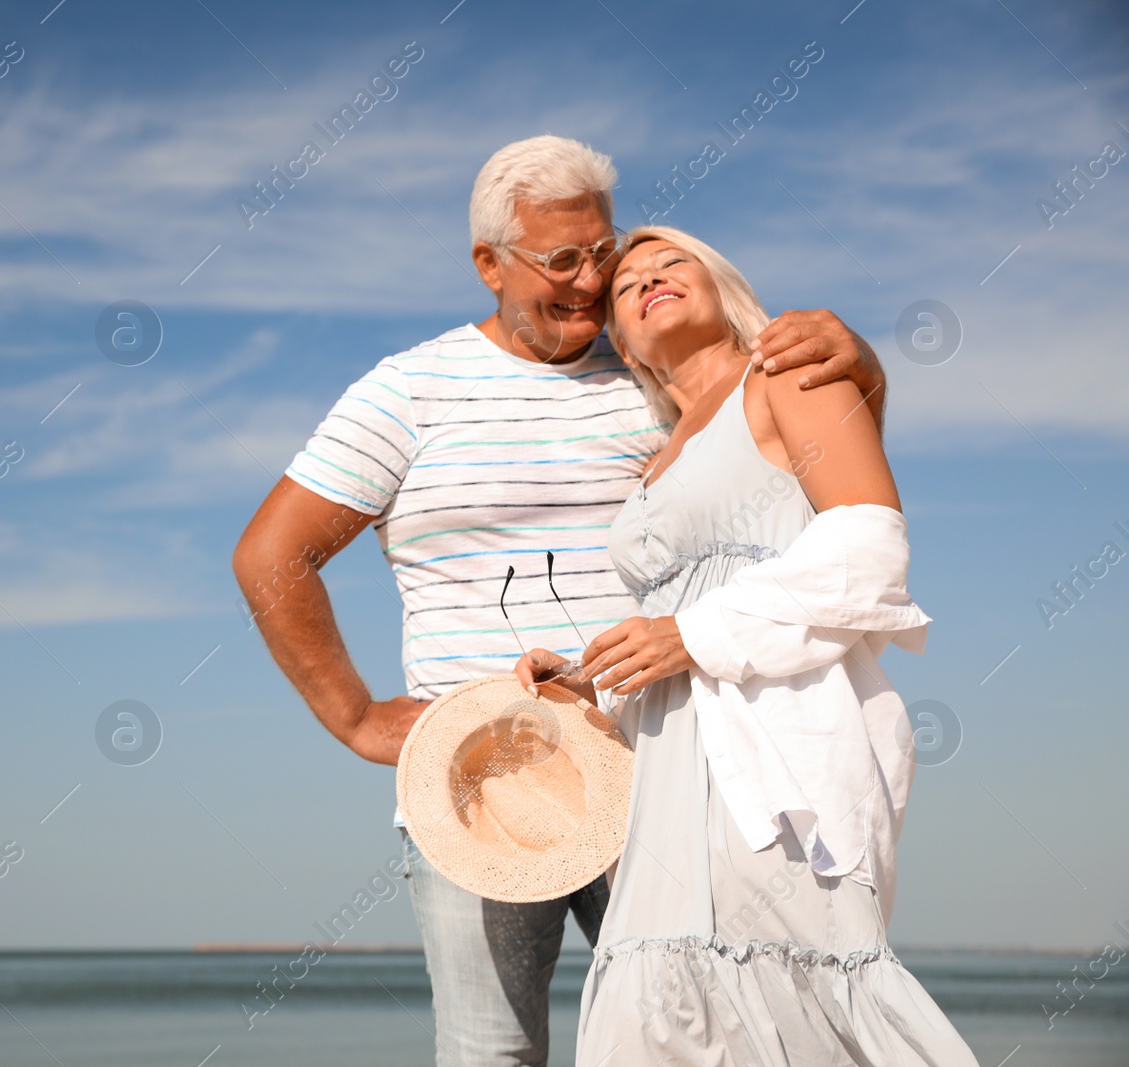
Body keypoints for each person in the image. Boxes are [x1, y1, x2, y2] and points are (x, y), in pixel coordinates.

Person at [232, 136, 885, 1067]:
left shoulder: (650, 376)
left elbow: (793, 459)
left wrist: (862, 365)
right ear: (489, 264)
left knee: (707, 1035)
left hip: (661, 770)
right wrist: (358, 716)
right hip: (478, 785)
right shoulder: (409, 390)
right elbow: (272, 553)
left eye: (603, 254)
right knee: (490, 1052)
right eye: (561, 260)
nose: (590, 282)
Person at [513, 226, 977, 1065]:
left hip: (774, 756)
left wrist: (686, 634)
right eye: (626, 287)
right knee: (659, 1016)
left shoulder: (784, 376)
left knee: (792, 995)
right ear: (622, 341)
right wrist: (592, 680)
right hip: (660, 780)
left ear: (720, 284)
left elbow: (871, 550)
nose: (647, 278)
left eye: (670, 263)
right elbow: (676, 623)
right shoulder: (654, 462)